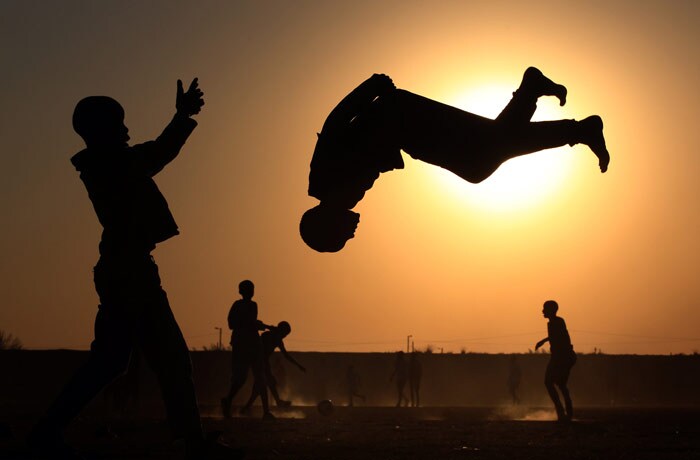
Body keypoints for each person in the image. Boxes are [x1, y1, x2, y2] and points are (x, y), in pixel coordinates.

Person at [28, 79, 241, 459]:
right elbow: (158, 153)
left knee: (125, 360)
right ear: (101, 130)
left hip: (128, 268)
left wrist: (180, 118)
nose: (127, 129)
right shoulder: (109, 164)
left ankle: (48, 432)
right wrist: (181, 117)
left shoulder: (107, 163)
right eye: (119, 123)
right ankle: (190, 442)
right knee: (155, 358)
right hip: (128, 271)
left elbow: (154, 154)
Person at [301, 68, 610, 252]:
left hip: (408, 117)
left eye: (342, 237)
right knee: (485, 156)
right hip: (411, 134)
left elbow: (334, 124)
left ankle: (559, 111)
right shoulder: (344, 196)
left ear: (328, 225)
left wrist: (373, 86)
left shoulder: (325, 180)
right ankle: (570, 120)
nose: (351, 235)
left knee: (486, 153)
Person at [221, 280, 275, 420]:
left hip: (252, 344)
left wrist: (262, 326)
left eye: (252, 289)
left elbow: (249, 322)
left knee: (259, 376)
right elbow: (234, 324)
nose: (251, 292)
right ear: (242, 291)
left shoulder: (250, 305)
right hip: (243, 345)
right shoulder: (242, 305)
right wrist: (262, 326)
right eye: (249, 289)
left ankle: (266, 412)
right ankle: (228, 401)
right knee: (241, 378)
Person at [240, 321, 306, 414]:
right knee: (266, 384)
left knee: (261, 387)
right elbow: (257, 349)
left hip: (263, 362)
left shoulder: (277, 339)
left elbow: (286, 355)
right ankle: (275, 403)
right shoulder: (267, 336)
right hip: (259, 361)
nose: (285, 336)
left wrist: (298, 365)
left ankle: (247, 408)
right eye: (285, 334)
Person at [535, 300, 577, 422]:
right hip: (560, 357)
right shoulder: (553, 323)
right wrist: (544, 341)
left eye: (545, 309)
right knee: (557, 383)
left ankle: (563, 412)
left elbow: (559, 337)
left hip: (563, 357)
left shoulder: (558, 322)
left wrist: (543, 341)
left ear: (551, 310)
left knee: (554, 383)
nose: (542, 311)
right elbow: (555, 336)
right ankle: (564, 413)